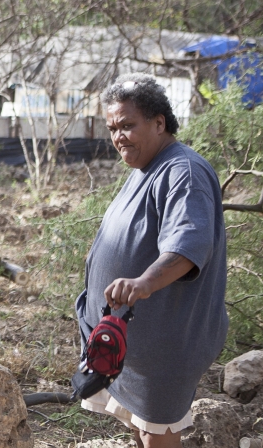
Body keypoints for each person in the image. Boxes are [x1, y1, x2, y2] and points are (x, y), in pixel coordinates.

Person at [77, 74, 227, 448]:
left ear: (159, 122)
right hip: (133, 339)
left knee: (157, 430)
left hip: (166, 340)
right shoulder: (147, 166)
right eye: (113, 128)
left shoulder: (182, 171)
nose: (119, 137)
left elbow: (188, 245)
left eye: (128, 125)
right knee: (138, 422)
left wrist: (142, 283)